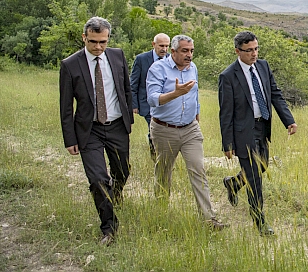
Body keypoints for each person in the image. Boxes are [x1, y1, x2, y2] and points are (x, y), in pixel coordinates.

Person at [59, 16, 133, 246]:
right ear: (84, 37)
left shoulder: (118, 56)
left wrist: (129, 118)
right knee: (98, 180)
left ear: (108, 38)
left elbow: (126, 88)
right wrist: (70, 138)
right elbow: (65, 106)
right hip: (89, 130)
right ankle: (109, 228)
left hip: (117, 126)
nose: (98, 47)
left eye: (102, 42)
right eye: (93, 41)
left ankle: (116, 191)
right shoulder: (70, 65)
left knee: (122, 171)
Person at [218, 31, 298, 236]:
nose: (254, 54)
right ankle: (259, 221)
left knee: (262, 166)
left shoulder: (263, 66)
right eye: (249, 50)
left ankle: (234, 183)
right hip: (243, 132)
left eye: (256, 49)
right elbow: (225, 112)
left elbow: (276, 95)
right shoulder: (228, 76)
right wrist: (227, 144)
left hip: (262, 126)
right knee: (254, 178)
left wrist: (288, 120)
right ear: (238, 51)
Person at [146, 34, 226, 231]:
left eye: (191, 51)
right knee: (164, 171)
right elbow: (152, 99)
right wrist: (175, 93)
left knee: (198, 170)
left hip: (190, 129)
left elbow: (195, 93)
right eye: (184, 51)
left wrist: (196, 113)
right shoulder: (158, 69)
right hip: (164, 129)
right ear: (173, 51)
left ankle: (209, 220)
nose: (189, 55)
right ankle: (161, 213)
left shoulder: (193, 68)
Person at [130, 33, 170, 161]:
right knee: (154, 129)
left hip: (166, 104)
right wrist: (134, 104)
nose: (164, 49)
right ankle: (156, 157)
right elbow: (133, 83)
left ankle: (164, 157)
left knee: (165, 130)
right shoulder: (141, 59)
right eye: (161, 46)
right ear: (153, 45)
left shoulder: (171, 59)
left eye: (167, 46)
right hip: (147, 103)